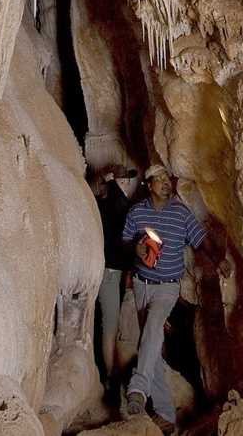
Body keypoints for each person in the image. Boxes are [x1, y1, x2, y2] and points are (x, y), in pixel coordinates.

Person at [122, 164, 230, 434]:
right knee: (154, 348)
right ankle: (166, 415)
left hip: (168, 287)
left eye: (166, 179)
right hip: (141, 283)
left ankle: (138, 389)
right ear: (148, 185)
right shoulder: (138, 212)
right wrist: (134, 248)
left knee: (152, 329)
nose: (165, 183)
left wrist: (218, 259)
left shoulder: (180, 213)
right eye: (157, 180)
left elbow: (201, 240)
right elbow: (122, 243)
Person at [92, 165, 137, 401]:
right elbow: (125, 244)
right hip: (112, 272)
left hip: (110, 270)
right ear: (123, 182)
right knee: (111, 326)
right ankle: (111, 378)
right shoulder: (120, 206)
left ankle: (111, 373)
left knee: (109, 325)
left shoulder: (103, 202)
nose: (130, 184)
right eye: (128, 179)